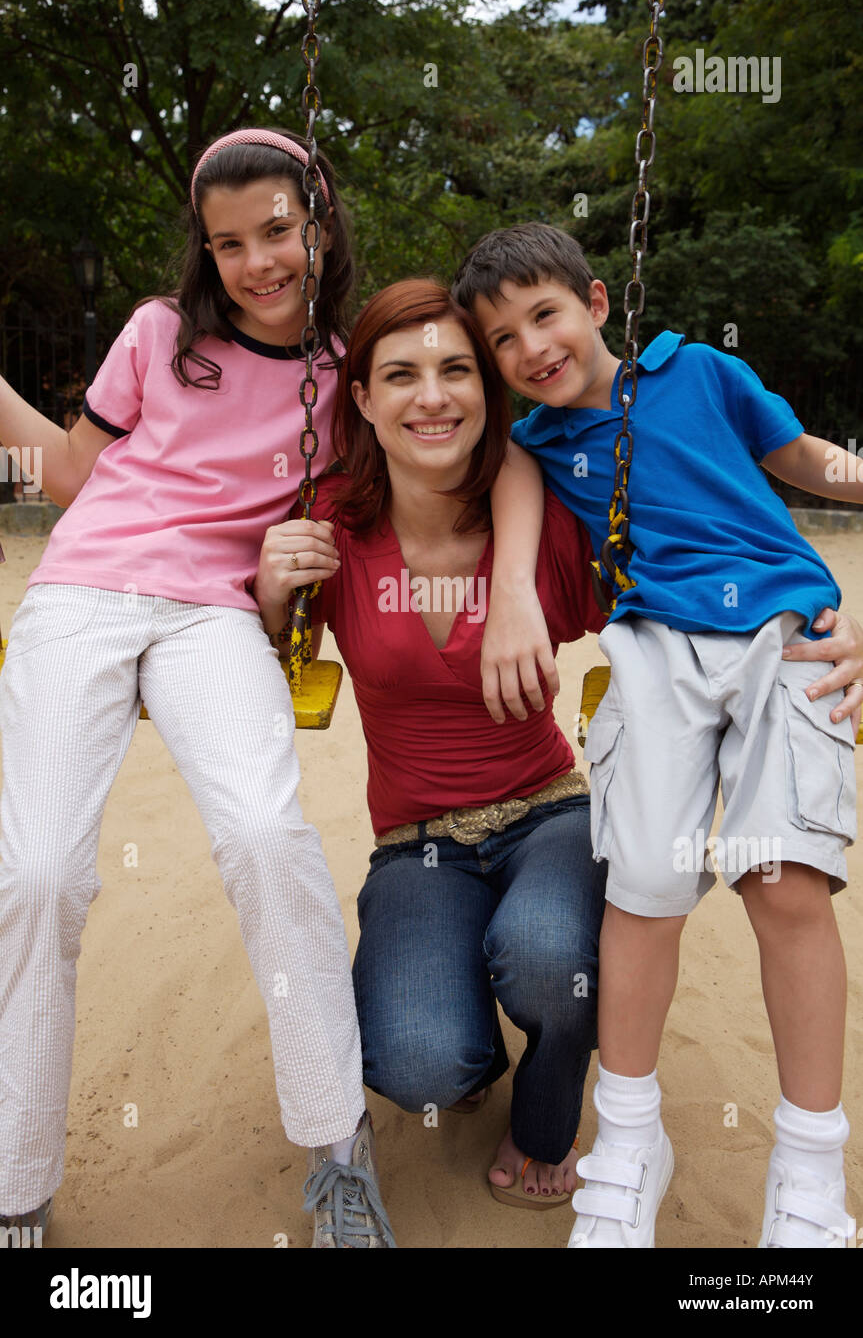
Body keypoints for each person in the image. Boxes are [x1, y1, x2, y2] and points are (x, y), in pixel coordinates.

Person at [253, 276, 863, 1223]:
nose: (432, 395)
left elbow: (688, 546)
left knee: (554, 957)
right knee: (419, 1060)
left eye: (456, 369)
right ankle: (469, 1032)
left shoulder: (546, 514)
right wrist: (270, 592)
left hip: (543, 807)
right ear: (363, 400)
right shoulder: (334, 524)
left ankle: (552, 1118)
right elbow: (263, 658)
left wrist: (817, 610)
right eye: (402, 375)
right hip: (415, 838)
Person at [0, 128, 394, 1249]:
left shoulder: (338, 379)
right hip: (83, 591)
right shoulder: (159, 334)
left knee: (269, 837)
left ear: (319, 223)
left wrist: (277, 588)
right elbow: (73, 479)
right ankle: (15, 1179)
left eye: (276, 230)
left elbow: (296, 577)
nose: (257, 262)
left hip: (216, 612)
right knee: (36, 875)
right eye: (228, 243)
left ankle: (337, 1145)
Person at [452, 221, 863, 1249]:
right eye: (500, 339)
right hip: (650, 649)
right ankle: (627, 1142)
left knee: (783, 881)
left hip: (786, 636)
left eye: (542, 314)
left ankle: (809, 1172)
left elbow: (804, 460)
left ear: (594, 302)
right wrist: (507, 594)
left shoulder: (700, 370)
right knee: (639, 889)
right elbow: (504, 478)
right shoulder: (534, 445)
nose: (529, 347)